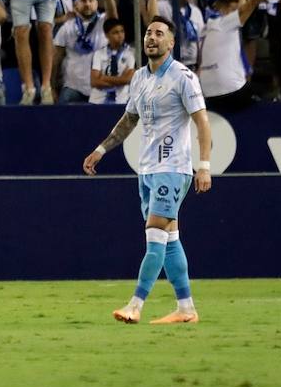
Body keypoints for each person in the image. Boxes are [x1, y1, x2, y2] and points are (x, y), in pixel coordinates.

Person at [82, 17, 212, 325]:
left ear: (171, 43)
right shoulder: (139, 77)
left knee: (154, 236)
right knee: (170, 240)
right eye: (149, 32)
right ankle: (186, 308)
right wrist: (101, 149)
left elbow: (202, 122)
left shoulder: (183, 77)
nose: (151, 37)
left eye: (159, 33)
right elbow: (129, 121)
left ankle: (135, 305)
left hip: (174, 168)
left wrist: (204, 167)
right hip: (148, 170)